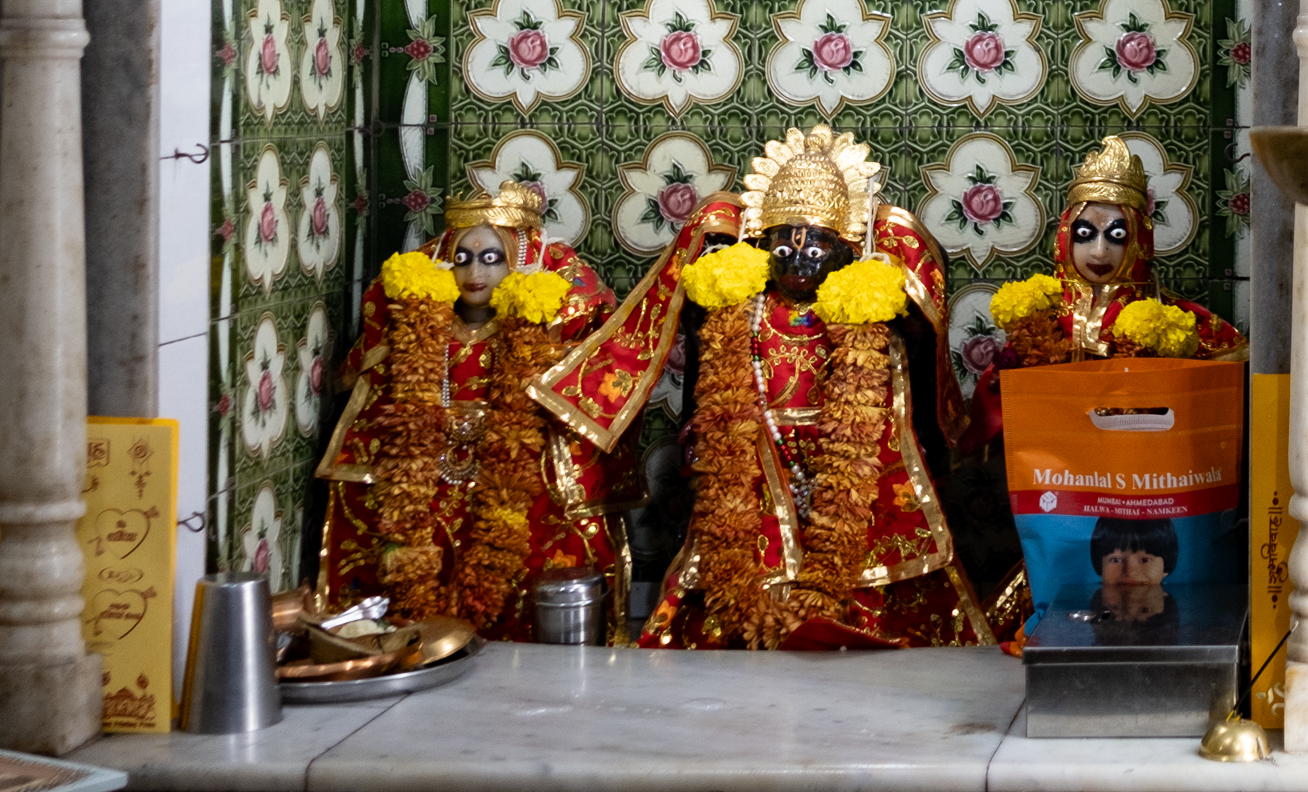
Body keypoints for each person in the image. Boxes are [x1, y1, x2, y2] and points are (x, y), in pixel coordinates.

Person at [536, 123, 993, 650]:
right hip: (754, 471)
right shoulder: (739, 308)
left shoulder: (868, 306)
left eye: (816, 247)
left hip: (851, 476)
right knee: (730, 565)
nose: (798, 260)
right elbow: (707, 395)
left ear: (846, 250)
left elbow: (906, 403)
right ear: (761, 245)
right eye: (783, 246)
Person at [317, 181, 620, 637]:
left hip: (511, 473)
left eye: (491, 258)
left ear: (518, 261)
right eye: (463, 258)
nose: (475, 272)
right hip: (426, 472)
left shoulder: (542, 335)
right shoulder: (420, 327)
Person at [978, 136, 1245, 412]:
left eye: (1117, 236)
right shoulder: (1041, 311)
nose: (1099, 252)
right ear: (1065, 237)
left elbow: (1217, 396)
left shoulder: (1171, 320)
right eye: (1085, 233)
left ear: (1139, 241)